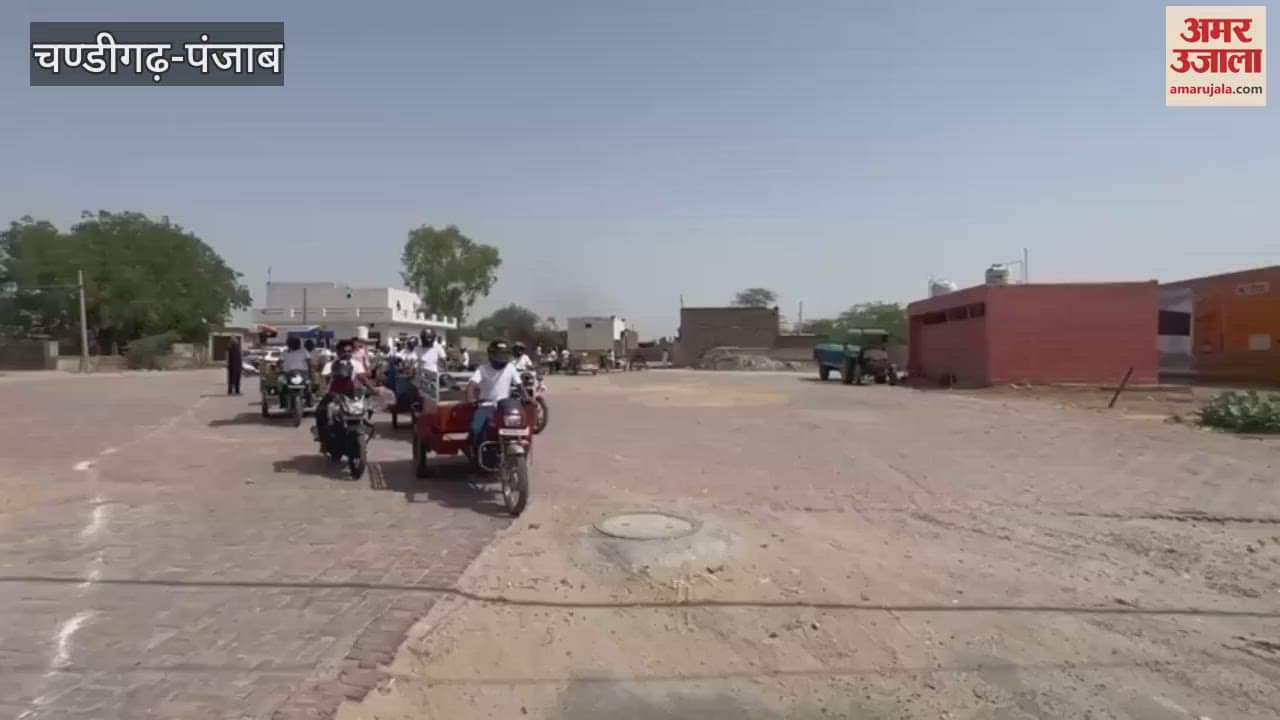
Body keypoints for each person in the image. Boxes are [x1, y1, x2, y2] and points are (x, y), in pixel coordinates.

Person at [466, 340, 519, 453]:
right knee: (476, 428)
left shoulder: (510, 368)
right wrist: (471, 399)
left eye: (504, 354)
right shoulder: (482, 369)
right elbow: (472, 385)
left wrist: (527, 398)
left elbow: (519, 385)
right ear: (491, 354)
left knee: (520, 428)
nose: (501, 357)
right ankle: (474, 449)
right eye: (499, 354)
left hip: (504, 406)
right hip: (486, 405)